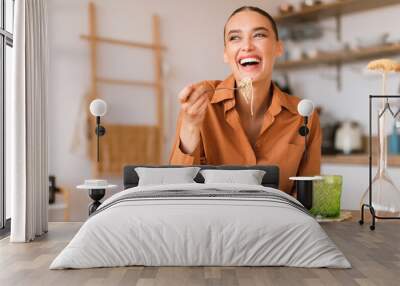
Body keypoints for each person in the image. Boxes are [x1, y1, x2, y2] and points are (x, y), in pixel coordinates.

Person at [169, 6, 321, 195]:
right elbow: (176, 190)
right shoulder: (201, 103)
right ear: (226, 53)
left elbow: (310, 198)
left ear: (278, 47)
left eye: (259, 35)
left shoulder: (303, 115)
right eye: (235, 37)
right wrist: (190, 126)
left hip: (278, 223)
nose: (247, 46)